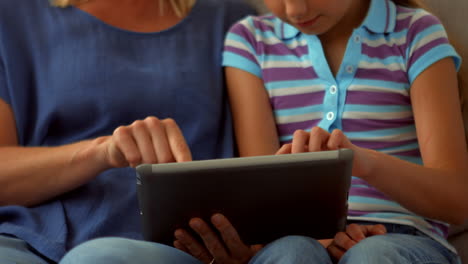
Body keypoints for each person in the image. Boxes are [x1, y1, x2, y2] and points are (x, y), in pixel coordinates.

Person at [171, 0, 468, 263]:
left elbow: (457, 201)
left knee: (374, 255)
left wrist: (362, 163)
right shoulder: (250, 40)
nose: (295, 9)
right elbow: (262, 198)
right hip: (293, 237)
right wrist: (329, 239)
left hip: (406, 238)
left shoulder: (417, 33)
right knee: (293, 255)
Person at [0, 0, 256, 263]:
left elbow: (259, 169)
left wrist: (247, 241)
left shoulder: (232, 21)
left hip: (170, 243)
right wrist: (101, 152)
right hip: (26, 237)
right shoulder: (10, 18)